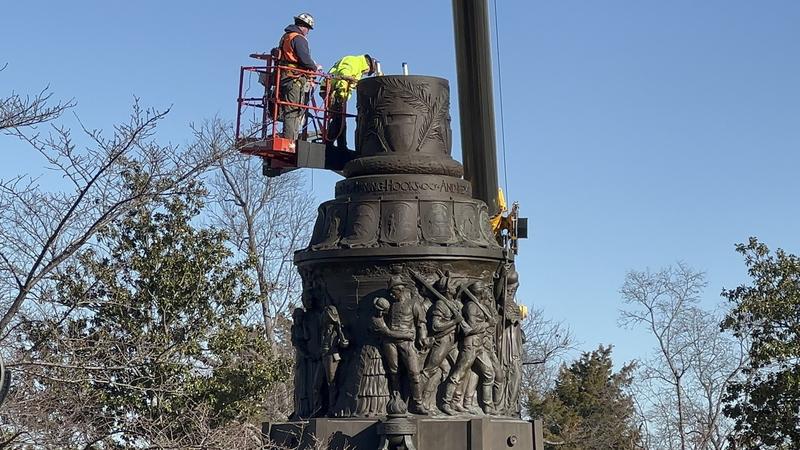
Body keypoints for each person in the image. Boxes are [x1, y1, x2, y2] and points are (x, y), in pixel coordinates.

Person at [277, 12, 320, 145]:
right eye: (308, 29)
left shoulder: (286, 36)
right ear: (304, 26)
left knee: (289, 109)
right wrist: (314, 67)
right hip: (293, 78)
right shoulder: (299, 38)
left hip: (284, 76)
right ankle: (290, 141)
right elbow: (305, 59)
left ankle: (288, 136)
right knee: (293, 110)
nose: (307, 32)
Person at [320, 54, 376, 152]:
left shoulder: (358, 68)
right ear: (368, 66)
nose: (366, 73)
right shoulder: (353, 61)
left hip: (337, 91)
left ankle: (339, 145)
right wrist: (341, 95)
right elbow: (344, 75)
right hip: (334, 90)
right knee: (339, 118)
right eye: (369, 72)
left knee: (340, 118)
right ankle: (332, 144)